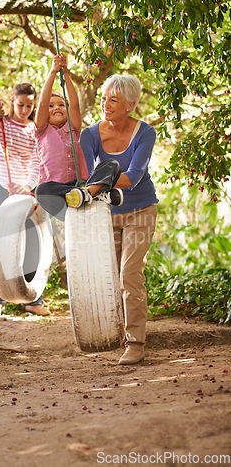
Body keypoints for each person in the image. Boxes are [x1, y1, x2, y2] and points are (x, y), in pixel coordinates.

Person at [79, 74, 159, 365]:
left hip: (141, 211)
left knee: (129, 275)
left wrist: (100, 184)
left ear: (131, 105)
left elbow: (135, 176)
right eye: (104, 98)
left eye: (113, 99)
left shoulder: (145, 133)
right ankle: (115, 332)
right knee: (110, 277)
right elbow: (88, 174)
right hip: (106, 215)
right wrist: (93, 186)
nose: (106, 104)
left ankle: (135, 343)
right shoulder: (89, 134)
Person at [0, 83, 50, 317]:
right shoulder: (2, 124)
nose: (25, 110)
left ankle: (33, 299)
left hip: (25, 189)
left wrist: (27, 186)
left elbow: (36, 163)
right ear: (12, 101)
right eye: (21, 105)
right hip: (3, 186)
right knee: (2, 239)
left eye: (29, 106)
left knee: (33, 238)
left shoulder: (34, 129)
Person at [34, 54, 123, 221]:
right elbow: (42, 103)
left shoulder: (73, 128)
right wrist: (53, 72)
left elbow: (74, 103)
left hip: (81, 185)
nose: (56, 108)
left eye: (61, 105)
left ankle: (88, 194)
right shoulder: (42, 131)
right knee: (41, 191)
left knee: (112, 164)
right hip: (58, 193)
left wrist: (65, 73)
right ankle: (100, 195)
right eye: (51, 106)